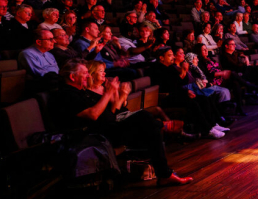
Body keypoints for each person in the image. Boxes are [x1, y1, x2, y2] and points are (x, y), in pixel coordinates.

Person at [47, 60, 191, 186]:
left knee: (149, 123)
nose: (88, 76)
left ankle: (164, 173)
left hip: (109, 128)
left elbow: (110, 113)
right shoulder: (67, 94)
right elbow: (93, 114)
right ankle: (164, 136)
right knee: (145, 119)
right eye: (85, 73)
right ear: (72, 77)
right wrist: (109, 93)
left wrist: (117, 95)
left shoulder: (79, 91)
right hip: (94, 137)